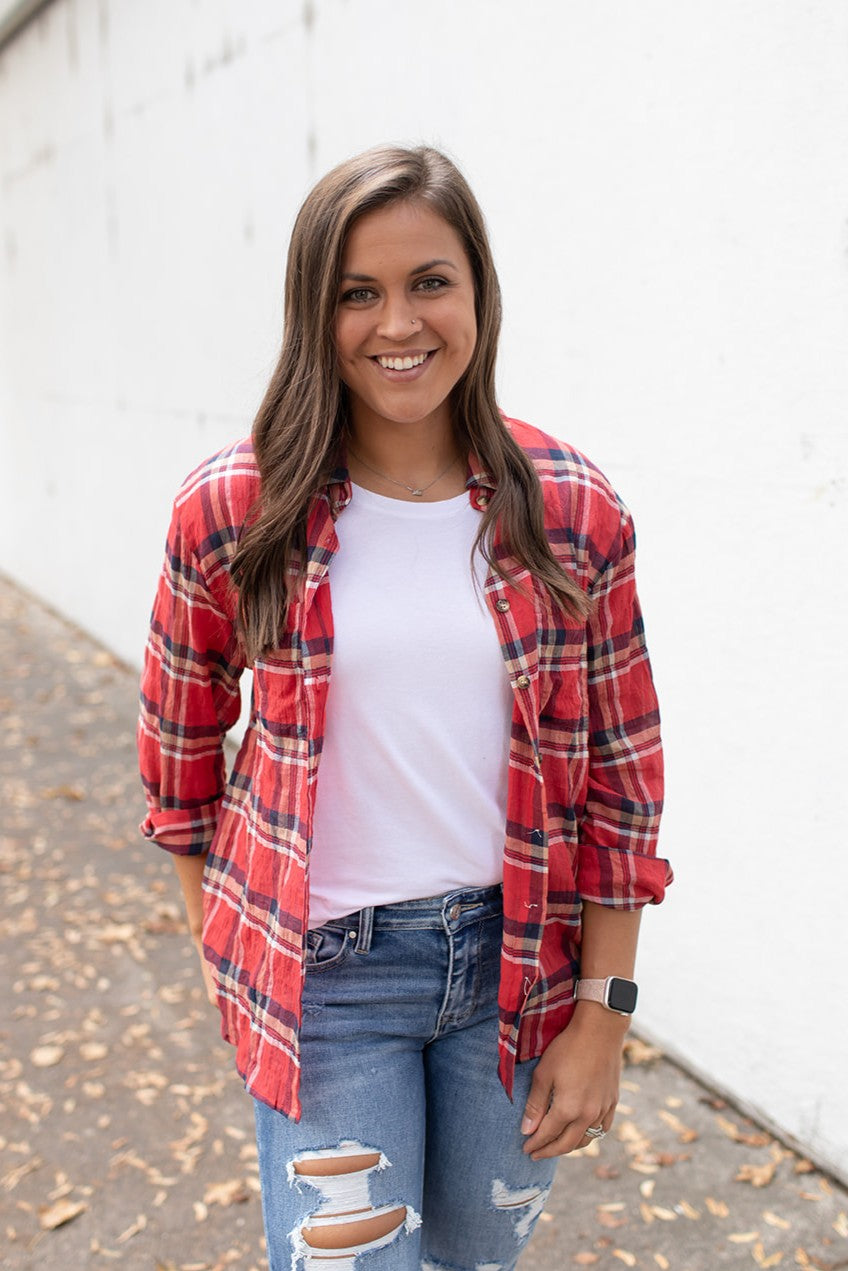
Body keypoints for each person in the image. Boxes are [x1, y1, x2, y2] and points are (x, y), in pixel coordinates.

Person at [138, 144, 672, 1271]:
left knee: (474, 1257)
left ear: (477, 289)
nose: (398, 322)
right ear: (312, 309)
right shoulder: (235, 508)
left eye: (429, 280)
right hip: (325, 981)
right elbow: (179, 755)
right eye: (356, 292)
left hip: (514, 968)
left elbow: (622, 785)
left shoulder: (571, 507)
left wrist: (603, 1015)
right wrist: (225, 953)